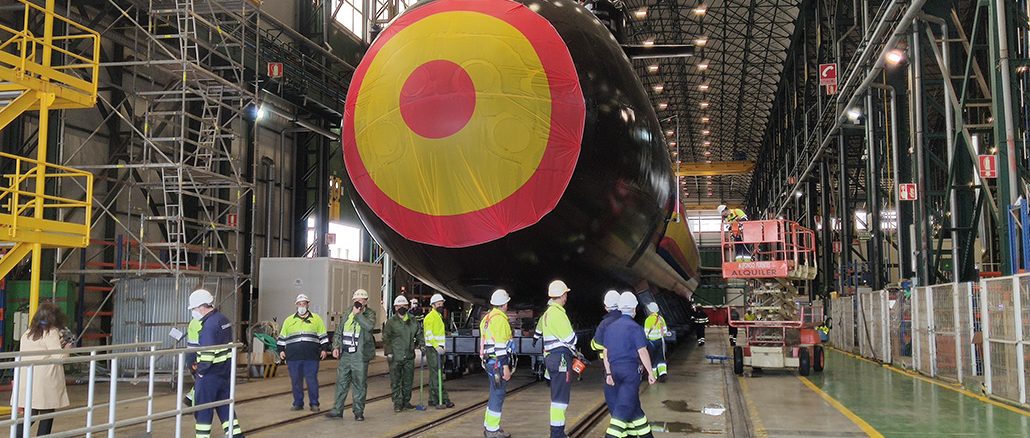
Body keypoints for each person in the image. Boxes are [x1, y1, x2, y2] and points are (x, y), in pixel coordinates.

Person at [189, 289, 245, 437]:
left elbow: (207, 354)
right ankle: (236, 435)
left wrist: (199, 371)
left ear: (201, 307)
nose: (193, 312)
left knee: (203, 412)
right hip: (224, 373)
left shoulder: (208, 326)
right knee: (225, 408)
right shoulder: (223, 320)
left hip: (209, 376)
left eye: (193, 309)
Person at [601, 292, 656, 438]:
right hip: (630, 373)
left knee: (634, 408)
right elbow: (642, 352)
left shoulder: (610, 328)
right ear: (634, 308)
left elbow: (605, 353)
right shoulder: (635, 328)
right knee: (623, 409)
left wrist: (608, 373)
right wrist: (650, 372)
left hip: (613, 371)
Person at [12, 302, 71, 436]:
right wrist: (67, 348)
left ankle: (16, 435)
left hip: (27, 380)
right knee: (47, 413)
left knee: (30, 414)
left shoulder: (28, 333)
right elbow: (60, 357)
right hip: (45, 382)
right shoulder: (50, 332)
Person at [326, 288, 376, 421]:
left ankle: (358, 412)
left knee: (359, 383)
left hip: (360, 355)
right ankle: (337, 410)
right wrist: (335, 346)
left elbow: (369, 327)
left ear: (366, 301)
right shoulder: (348, 311)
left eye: (361, 300)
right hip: (346, 354)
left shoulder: (370, 314)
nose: (359, 302)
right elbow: (339, 330)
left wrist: (358, 315)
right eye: (356, 300)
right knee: (341, 382)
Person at [535, 280, 577, 438]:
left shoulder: (546, 314)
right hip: (561, 359)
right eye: (566, 294)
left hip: (551, 358)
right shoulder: (558, 314)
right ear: (562, 296)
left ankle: (557, 432)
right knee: (560, 398)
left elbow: (539, 332)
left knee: (556, 395)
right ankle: (557, 433)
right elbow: (571, 339)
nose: (566, 297)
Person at [277, 293, 329, 412]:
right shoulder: (289, 320)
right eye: (299, 304)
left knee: (312, 380)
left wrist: (324, 349)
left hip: (311, 357)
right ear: (296, 305)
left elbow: (323, 336)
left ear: (308, 304)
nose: (302, 306)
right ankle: (298, 403)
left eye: (304, 303)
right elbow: (282, 338)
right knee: (296, 381)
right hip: (293, 357)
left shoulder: (316, 319)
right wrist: (281, 351)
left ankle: (314, 403)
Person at [481, 289, 514, 438]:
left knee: (494, 392)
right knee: (498, 394)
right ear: (505, 304)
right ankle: (493, 430)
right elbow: (500, 346)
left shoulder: (487, 318)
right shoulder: (500, 319)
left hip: (489, 361)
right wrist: (505, 367)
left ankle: (489, 426)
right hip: (497, 363)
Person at [384, 295, 419, 412]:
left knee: (408, 380)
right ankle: (397, 403)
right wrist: (388, 352)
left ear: (407, 306)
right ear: (395, 307)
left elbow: (419, 333)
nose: (401, 307)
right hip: (395, 356)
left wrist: (422, 344)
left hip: (409, 355)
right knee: (396, 381)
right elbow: (386, 338)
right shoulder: (391, 322)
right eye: (399, 306)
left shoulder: (413, 320)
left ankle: (406, 401)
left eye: (403, 305)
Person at [590, 290, 622, 413]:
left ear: (606, 307)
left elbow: (597, 345)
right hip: (627, 366)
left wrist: (592, 343)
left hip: (610, 365)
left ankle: (618, 425)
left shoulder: (605, 323)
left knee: (612, 397)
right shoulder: (628, 320)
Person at [423, 293, 454, 409]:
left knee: (434, 375)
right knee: (437, 375)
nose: (441, 305)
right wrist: (437, 346)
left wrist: (442, 346)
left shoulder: (438, 316)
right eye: (439, 304)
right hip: (433, 349)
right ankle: (444, 399)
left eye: (442, 304)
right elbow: (429, 334)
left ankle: (432, 399)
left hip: (438, 348)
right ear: (433, 305)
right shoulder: (430, 317)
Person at [643, 302, 670, 382]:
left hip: (652, 343)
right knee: (660, 358)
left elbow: (645, 333)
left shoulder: (648, 320)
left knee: (652, 359)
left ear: (650, 310)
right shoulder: (661, 319)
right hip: (661, 341)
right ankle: (662, 374)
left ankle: (653, 376)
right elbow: (665, 331)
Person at [183, 313, 202, 407]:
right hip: (196, 355)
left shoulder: (194, 321)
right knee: (202, 379)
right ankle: (191, 400)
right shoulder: (201, 322)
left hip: (192, 354)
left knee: (201, 379)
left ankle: (190, 398)